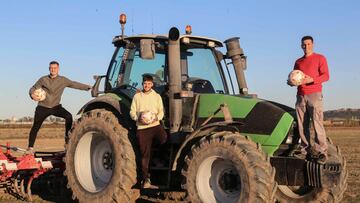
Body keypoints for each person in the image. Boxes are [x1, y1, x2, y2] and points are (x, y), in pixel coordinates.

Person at [28, 61, 91, 154]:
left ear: (58, 69)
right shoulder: (43, 79)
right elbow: (33, 88)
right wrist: (32, 95)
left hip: (56, 107)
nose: (53, 69)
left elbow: (74, 84)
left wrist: (88, 87)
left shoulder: (63, 80)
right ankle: (30, 147)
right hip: (43, 107)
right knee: (35, 126)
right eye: (51, 68)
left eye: (55, 68)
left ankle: (67, 141)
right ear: (49, 69)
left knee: (69, 116)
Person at [290, 36, 330, 164]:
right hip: (300, 95)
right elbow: (295, 76)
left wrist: (311, 80)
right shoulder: (298, 62)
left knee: (317, 122)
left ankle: (321, 152)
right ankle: (304, 150)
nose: (306, 46)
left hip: (314, 95)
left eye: (308, 44)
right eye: (304, 44)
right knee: (302, 125)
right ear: (301, 46)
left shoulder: (320, 58)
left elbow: (326, 76)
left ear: (312, 44)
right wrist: (291, 82)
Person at [130, 74, 167, 189]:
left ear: (152, 84)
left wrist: (157, 118)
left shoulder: (157, 97)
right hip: (142, 128)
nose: (146, 85)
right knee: (144, 155)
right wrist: (138, 118)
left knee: (164, 139)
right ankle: (146, 179)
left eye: (149, 83)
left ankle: (158, 157)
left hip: (155, 125)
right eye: (145, 83)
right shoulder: (137, 97)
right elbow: (132, 112)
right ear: (143, 84)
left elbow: (161, 111)